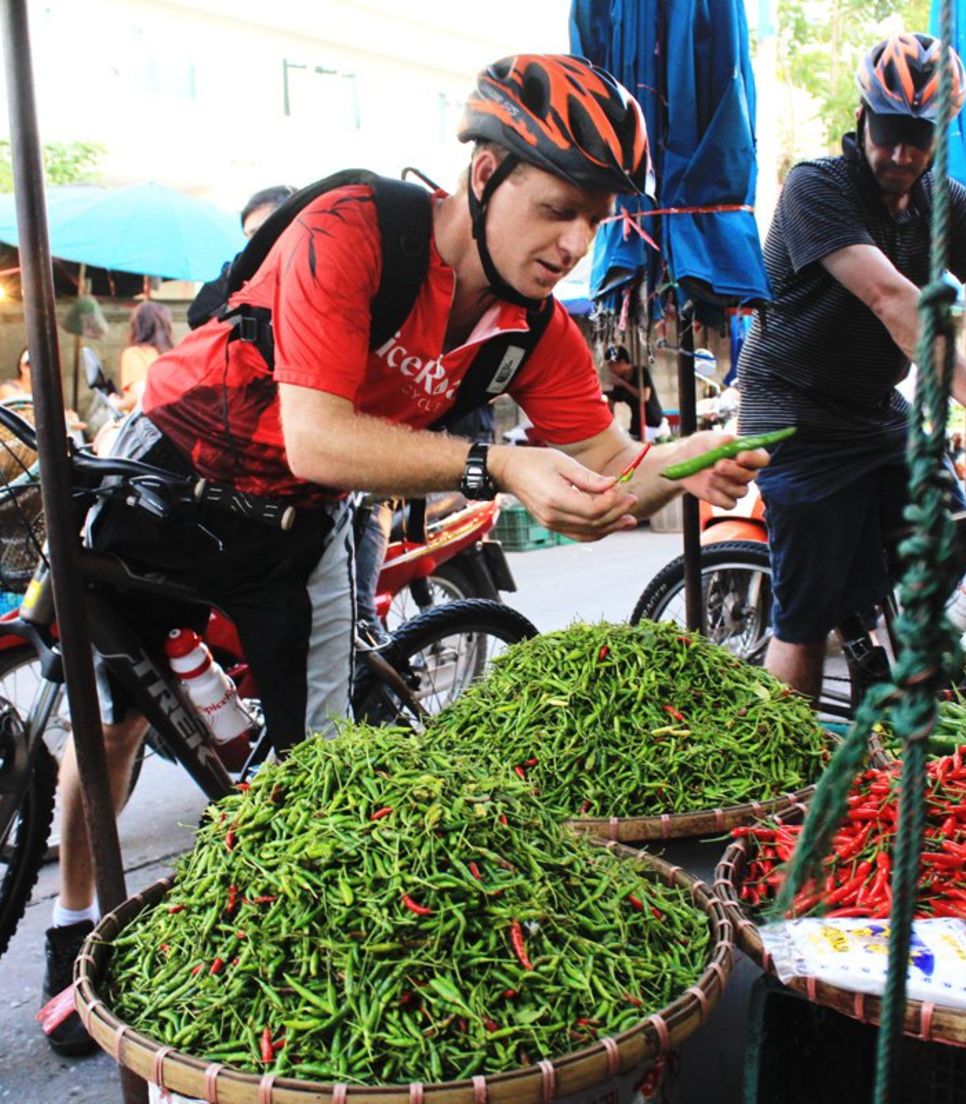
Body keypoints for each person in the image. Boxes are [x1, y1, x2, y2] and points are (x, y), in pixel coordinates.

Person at [44, 53, 767, 1054]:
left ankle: (283, 984)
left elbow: (605, 481)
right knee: (111, 725)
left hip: (293, 529)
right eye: (558, 206)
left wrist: (673, 469)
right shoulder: (355, 228)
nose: (576, 242)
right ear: (483, 172)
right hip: (170, 477)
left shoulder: (536, 335)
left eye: (596, 219)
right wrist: (501, 467)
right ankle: (70, 922)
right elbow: (320, 435)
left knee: (314, 768)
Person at [737, 32, 966, 701]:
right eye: (888, 132)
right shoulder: (817, 187)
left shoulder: (942, 202)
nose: (899, 154)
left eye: (917, 139)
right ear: (863, 116)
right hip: (791, 413)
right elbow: (893, 298)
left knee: (947, 532)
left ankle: (906, 703)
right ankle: (794, 772)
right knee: (805, 616)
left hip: (871, 409)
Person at [116, 301, 174, 412]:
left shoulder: (135, 353)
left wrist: (117, 404)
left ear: (136, 326)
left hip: (146, 423)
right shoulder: (172, 355)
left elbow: (142, 395)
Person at [603, 344, 663, 442]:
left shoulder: (641, 372)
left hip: (652, 423)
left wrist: (623, 383)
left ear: (622, 362)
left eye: (611, 365)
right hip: (636, 425)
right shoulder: (620, 380)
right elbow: (612, 400)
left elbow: (644, 396)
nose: (611, 369)